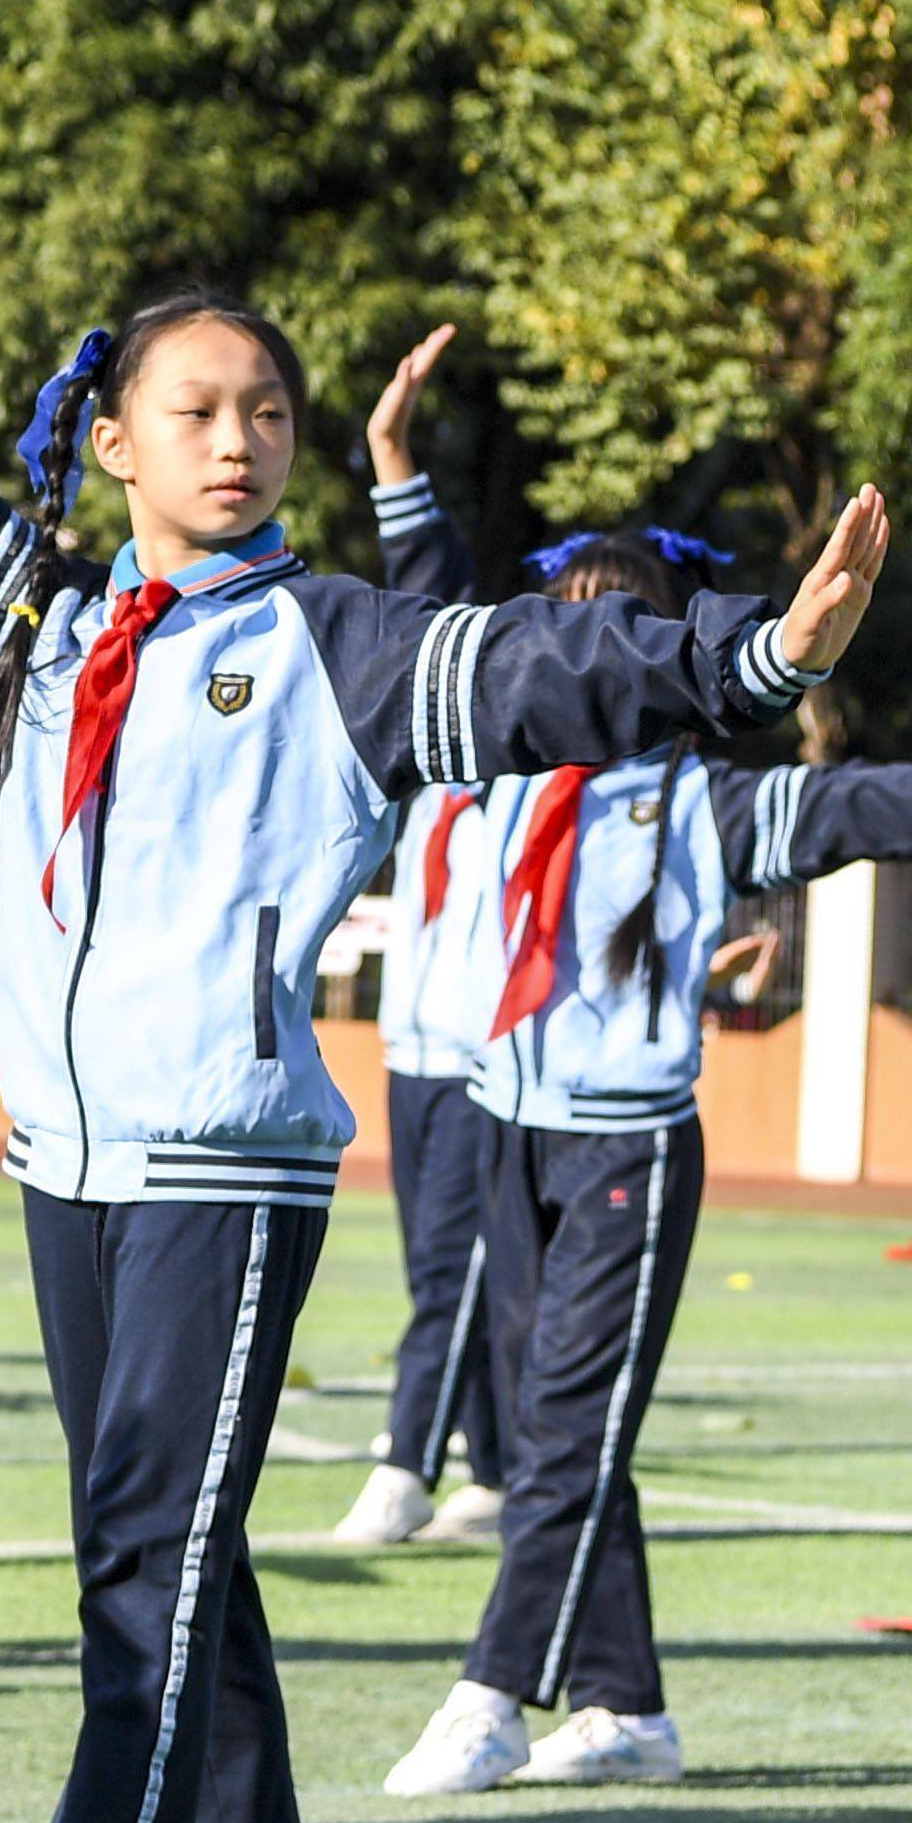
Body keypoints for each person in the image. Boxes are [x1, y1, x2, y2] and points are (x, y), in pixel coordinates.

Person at [0, 36, 890, 1823]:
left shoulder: (340, 641)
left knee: (142, 1564)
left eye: (269, 411)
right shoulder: (53, 623)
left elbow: (543, 675)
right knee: (159, 1552)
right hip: (65, 1160)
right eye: (202, 409)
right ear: (122, 443)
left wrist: (748, 666)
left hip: (223, 1166)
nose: (245, 438)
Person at [379, 535, 912, 1793]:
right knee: (567, 1429)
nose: (578, 656)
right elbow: (413, 640)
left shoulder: (697, 803)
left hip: (627, 1147)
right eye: (562, 629)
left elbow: (854, 809)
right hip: (507, 1125)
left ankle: (492, 1693)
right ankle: (627, 1710)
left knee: (563, 1433)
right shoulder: (499, 781)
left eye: (612, 631)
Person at [331, 328, 522, 1545]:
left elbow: (443, 601)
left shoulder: (527, 760)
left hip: (479, 1050)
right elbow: (420, 610)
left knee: (449, 1266)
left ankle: (407, 1461)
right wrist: (390, 451)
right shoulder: (429, 765)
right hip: (411, 1045)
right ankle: (495, 1467)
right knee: (436, 1263)